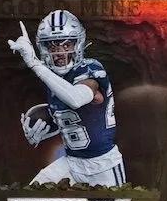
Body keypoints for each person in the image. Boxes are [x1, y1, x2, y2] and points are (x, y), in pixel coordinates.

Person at [9, 10, 126, 187]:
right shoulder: (53, 79)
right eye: (53, 47)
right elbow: (72, 118)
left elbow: (76, 99)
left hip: (103, 165)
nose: (60, 53)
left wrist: (34, 63)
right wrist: (40, 131)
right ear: (44, 48)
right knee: (33, 193)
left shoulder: (91, 69)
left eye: (66, 45)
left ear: (78, 44)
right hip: (71, 162)